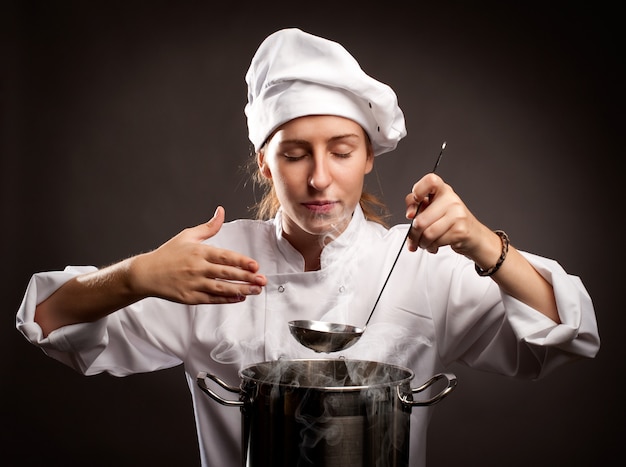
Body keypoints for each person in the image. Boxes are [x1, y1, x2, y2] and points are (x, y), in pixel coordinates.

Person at [16, 28, 600, 466]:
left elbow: (568, 335)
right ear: (265, 164)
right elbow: (46, 320)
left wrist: (482, 244)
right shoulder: (207, 268)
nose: (319, 178)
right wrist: (137, 276)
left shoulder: (421, 267)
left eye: (341, 150)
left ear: (369, 156)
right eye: (294, 153)